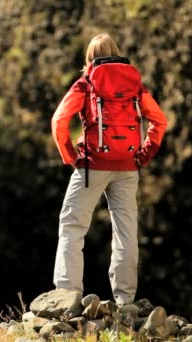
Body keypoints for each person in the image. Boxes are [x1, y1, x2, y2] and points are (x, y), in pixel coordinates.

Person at [50, 33, 168, 305]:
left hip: (92, 166)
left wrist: (70, 156)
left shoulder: (86, 82)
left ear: (89, 58)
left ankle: (67, 295)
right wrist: (144, 154)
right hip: (128, 166)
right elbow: (159, 121)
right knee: (126, 231)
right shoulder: (135, 84)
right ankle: (125, 300)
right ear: (116, 51)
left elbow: (59, 120)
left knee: (72, 226)